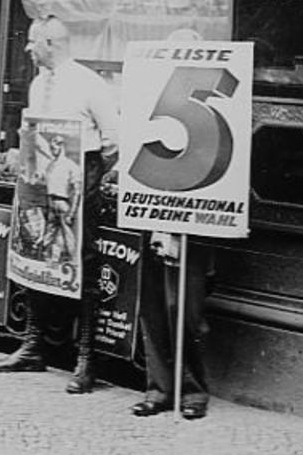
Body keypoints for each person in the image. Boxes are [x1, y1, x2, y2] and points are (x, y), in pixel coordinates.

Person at [0, 15, 118, 394]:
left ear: (51, 43)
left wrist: (86, 179)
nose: (28, 48)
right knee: (34, 255)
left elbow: (112, 141)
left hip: (78, 184)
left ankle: (86, 359)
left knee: (82, 261)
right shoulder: (37, 84)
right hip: (39, 182)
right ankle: (33, 345)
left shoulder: (88, 83)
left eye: (33, 42)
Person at [131, 27, 213, 420]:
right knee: (153, 306)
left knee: (185, 308)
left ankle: (193, 392)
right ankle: (159, 388)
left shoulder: (211, 113)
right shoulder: (154, 107)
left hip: (190, 228)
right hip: (154, 220)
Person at [42, 135, 81, 262]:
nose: (53, 149)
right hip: (51, 203)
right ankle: (47, 260)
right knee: (49, 235)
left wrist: (72, 212)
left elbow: (77, 190)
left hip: (63, 203)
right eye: (52, 147)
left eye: (57, 145)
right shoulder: (50, 166)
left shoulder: (71, 166)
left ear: (62, 146)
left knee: (68, 236)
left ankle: (72, 261)